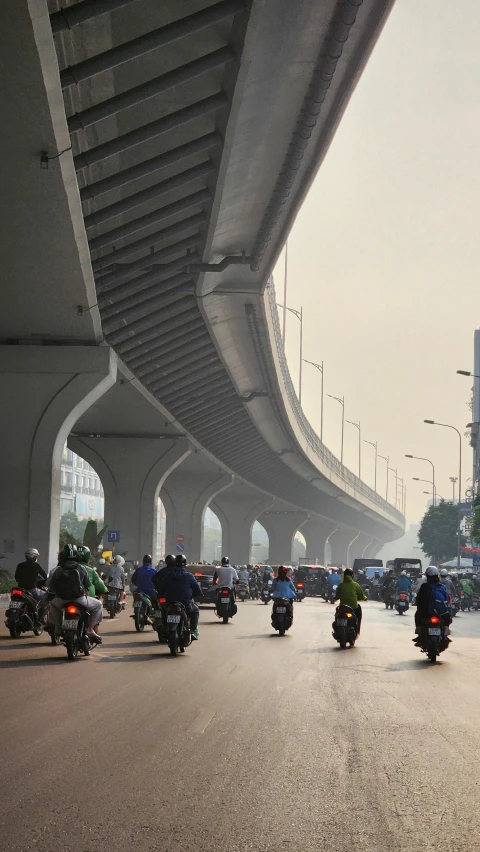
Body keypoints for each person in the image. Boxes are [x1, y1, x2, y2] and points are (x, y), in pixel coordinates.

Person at [48, 544, 103, 643]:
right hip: (79, 599)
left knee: (52, 605)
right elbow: (87, 586)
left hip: (62, 600)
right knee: (98, 604)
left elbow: (52, 587)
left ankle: (58, 628)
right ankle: (90, 629)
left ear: (63, 555)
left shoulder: (59, 569)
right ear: (77, 555)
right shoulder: (82, 568)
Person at [155, 554, 202, 639]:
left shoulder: (168, 575)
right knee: (195, 611)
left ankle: (165, 627)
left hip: (170, 603)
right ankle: (193, 630)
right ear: (184, 564)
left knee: (163, 611)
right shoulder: (189, 576)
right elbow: (197, 589)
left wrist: (161, 594)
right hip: (186, 604)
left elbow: (161, 588)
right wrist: (195, 595)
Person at [413, 565, 450, 646]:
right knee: (447, 618)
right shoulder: (442, 586)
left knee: (417, 615)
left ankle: (419, 635)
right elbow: (447, 599)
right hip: (441, 612)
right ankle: (445, 635)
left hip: (426, 612)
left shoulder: (424, 586)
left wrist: (417, 604)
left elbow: (419, 598)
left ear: (427, 576)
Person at [77, 546, 106, 635]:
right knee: (99, 604)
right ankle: (91, 628)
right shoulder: (89, 570)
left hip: (65, 598)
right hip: (84, 598)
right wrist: (105, 590)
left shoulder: (64, 567)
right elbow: (100, 585)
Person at [14, 547, 48, 624]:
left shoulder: (20, 565)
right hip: (31, 590)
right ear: (34, 556)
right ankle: (42, 618)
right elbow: (45, 576)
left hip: (20, 589)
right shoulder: (36, 566)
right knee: (46, 597)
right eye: (36, 556)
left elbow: (16, 578)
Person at [334, 568, 367, 635]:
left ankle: (336, 630)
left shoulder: (340, 585)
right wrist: (365, 598)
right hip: (353, 608)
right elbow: (361, 596)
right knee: (358, 615)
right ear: (352, 576)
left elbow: (337, 596)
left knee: (337, 616)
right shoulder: (356, 585)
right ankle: (357, 631)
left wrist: (334, 598)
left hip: (342, 608)